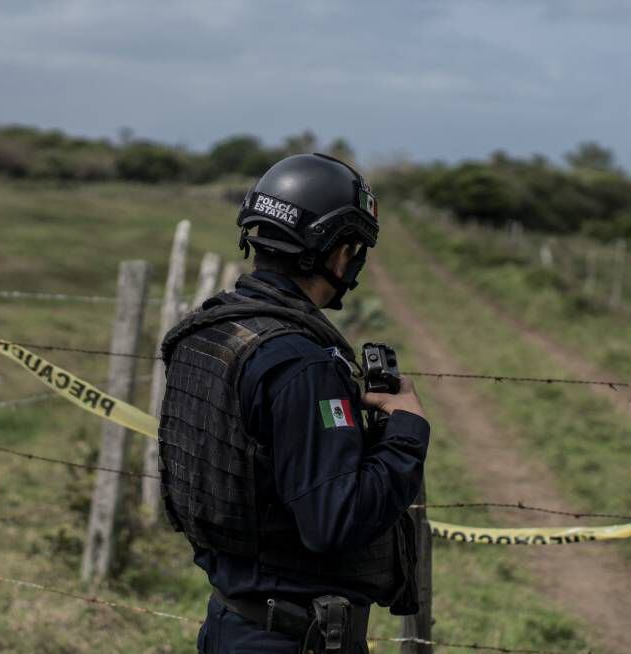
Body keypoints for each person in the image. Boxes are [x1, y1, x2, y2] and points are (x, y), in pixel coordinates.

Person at [158, 153, 430, 653]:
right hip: (296, 637)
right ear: (339, 250)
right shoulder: (304, 363)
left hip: (228, 622)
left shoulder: (213, 330)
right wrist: (407, 429)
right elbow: (335, 520)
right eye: (356, 248)